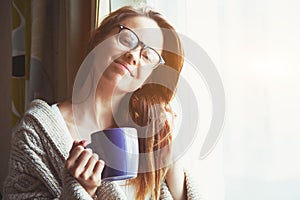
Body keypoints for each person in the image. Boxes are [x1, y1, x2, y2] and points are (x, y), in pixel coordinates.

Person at [3, 6, 201, 200]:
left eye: (147, 56)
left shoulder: (146, 136)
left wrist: (169, 153)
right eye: (127, 39)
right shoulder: (34, 132)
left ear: (149, 78)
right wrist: (80, 191)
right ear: (99, 41)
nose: (133, 56)